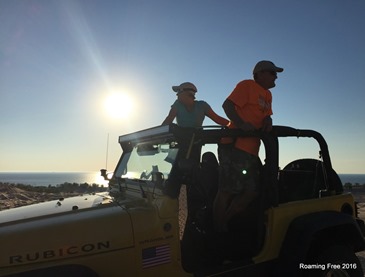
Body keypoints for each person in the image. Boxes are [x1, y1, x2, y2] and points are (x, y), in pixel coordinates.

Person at [213, 60, 284, 232]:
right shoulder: (247, 85)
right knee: (227, 191)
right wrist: (240, 123)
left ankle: (224, 221)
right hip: (234, 147)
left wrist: (269, 120)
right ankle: (216, 229)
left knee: (251, 192)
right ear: (260, 73)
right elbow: (227, 105)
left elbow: (266, 116)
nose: (276, 77)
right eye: (273, 73)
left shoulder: (268, 95)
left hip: (252, 150)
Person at [162, 82, 229, 127]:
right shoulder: (177, 104)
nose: (177, 94)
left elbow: (218, 119)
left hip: (197, 139)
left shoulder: (202, 105)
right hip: (180, 139)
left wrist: (233, 125)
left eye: (179, 91)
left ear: (188, 93)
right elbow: (168, 120)